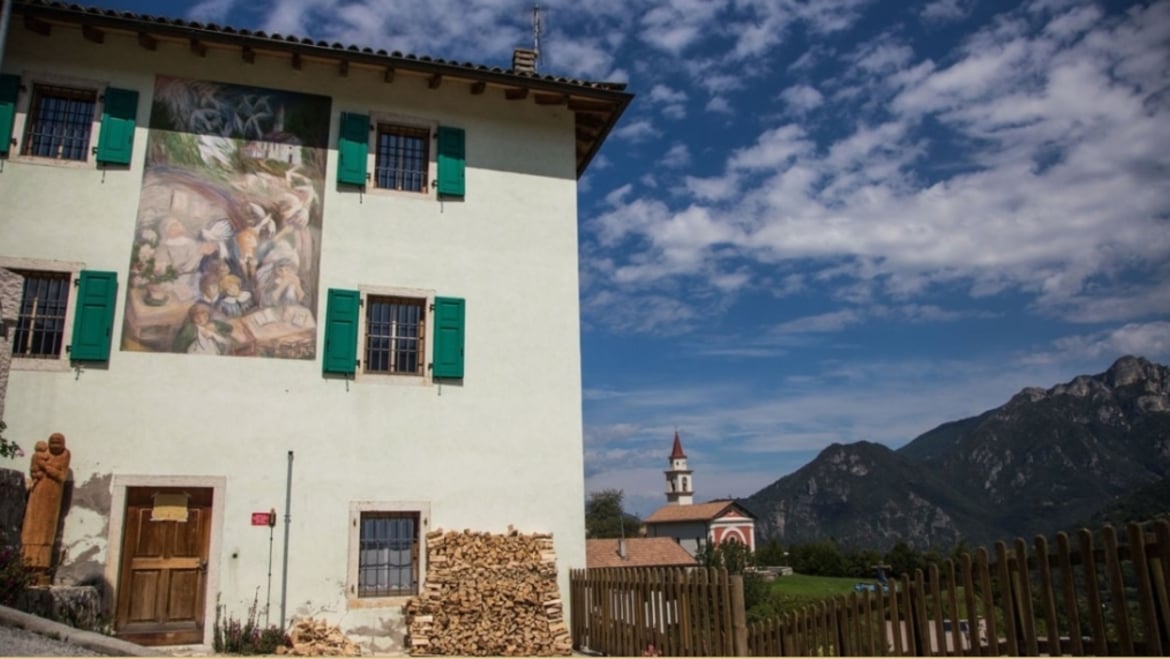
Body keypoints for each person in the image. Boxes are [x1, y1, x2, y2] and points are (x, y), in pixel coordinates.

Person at [21, 433, 71, 586]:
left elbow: (61, 476)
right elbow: (33, 471)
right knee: (30, 529)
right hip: (37, 495)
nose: (55, 444)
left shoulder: (64, 456)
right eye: (52, 442)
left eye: (58, 442)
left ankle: (41, 567)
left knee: (45, 533)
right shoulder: (41, 455)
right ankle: (27, 564)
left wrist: (45, 467)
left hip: (52, 498)